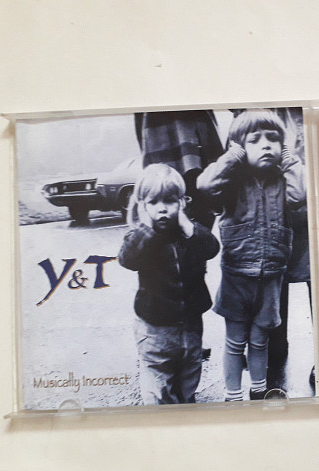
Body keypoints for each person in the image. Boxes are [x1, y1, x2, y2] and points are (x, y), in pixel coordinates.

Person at [197, 110, 306, 401]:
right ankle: (233, 395)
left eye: (273, 139)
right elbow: (205, 185)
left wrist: (289, 159)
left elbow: (299, 196)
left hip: (271, 276)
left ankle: (258, 389)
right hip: (236, 275)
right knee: (235, 342)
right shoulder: (233, 181)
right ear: (240, 148)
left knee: (260, 340)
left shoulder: (282, 179)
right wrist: (233, 156)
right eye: (255, 140)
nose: (266, 145)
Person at [119, 164, 220, 404]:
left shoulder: (190, 233)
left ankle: (184, 409)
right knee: (158, 389)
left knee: (189, 376)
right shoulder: (140, 236)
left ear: (182, 203)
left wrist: (186, 224)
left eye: (170, 201)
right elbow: (127, 259)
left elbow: (211, 248)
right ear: (142, 206)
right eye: (153, 202)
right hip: (154, 330)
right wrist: (147, 228)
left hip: (190, 327)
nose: (162, 208)